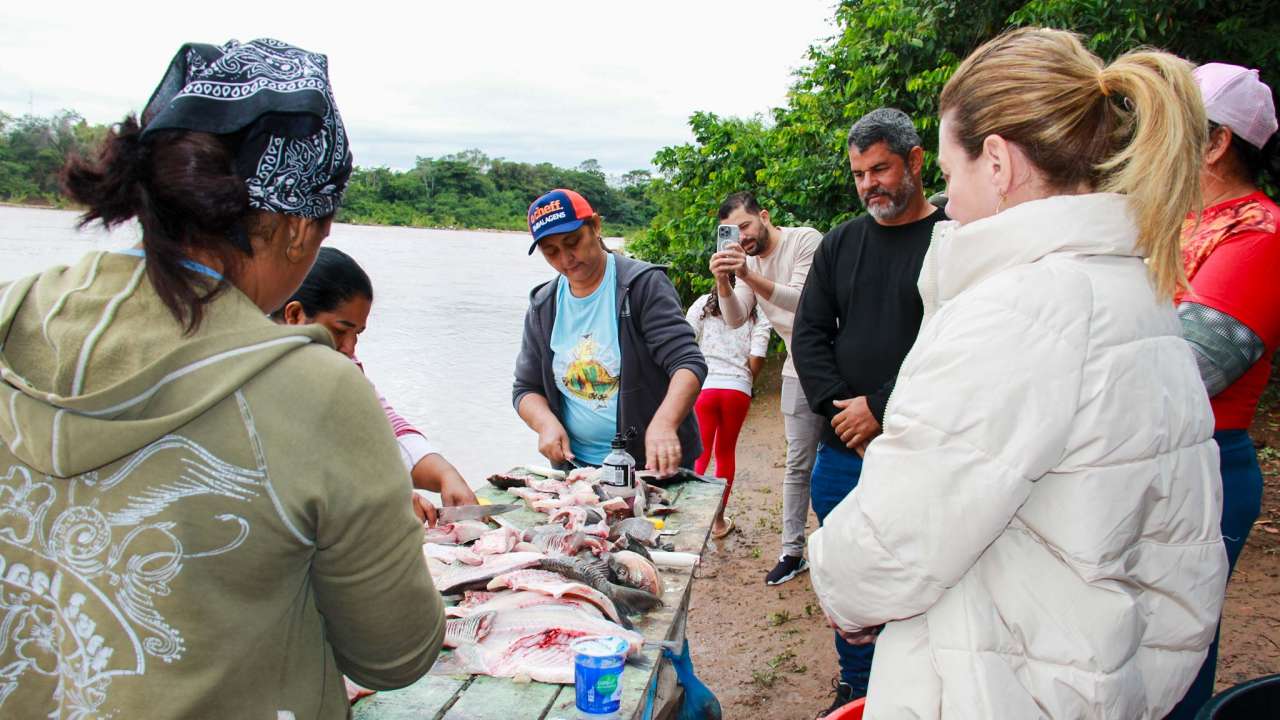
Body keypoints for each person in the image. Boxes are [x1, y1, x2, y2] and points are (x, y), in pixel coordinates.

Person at [0, 40, 443, 718]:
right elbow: (395, 653)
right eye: (322, 232)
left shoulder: (10, 312)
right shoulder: (315, 386)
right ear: (297, 229)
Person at [807, 28, 1229, 719]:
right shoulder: (1134, 288)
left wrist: (839, 581)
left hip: (1004, 683)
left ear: (997, 162)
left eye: (949, 172)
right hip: (1094, 674)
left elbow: (900, 533)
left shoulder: (1023, 306)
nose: (948, 199)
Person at [791, 107, 945, 716]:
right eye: (858, 174)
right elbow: (809, 335)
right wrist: (840, 412)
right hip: (842, 451)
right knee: (850, 572)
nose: (868, 185)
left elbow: (957, 343)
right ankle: (857, 685)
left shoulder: (954, 238)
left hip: (922, 448)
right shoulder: (842, 242)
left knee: (922, 576)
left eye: (879, 169)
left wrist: (881, 407)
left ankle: (918, 692)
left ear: (915, 160)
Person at [1168, 63, 1280, 719]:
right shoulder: (1178, 220)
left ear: (1216, 143)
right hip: (1158, 459)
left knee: (1173, 658)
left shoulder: (1260, 234)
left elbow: (1188, 372)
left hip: (1203, 468)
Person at [274, 246, 479, 519]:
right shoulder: (254, 373)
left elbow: (384, 429)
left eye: (357, 333)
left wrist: (445, 474)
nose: (349, 346)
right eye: (339, 330)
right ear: (295, 315)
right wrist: (377, 496)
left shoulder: (343, 365)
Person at [513, 188, 706, 475]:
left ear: (596, 226)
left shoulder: (642, 285)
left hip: (650, 466)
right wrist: (545, 423)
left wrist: (665, 422)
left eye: (573, 242)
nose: (566, 258)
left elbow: (688, 363)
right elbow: (526, 389)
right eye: (551, 251)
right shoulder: (544, 304)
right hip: (577, 467)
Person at [708, 192, 823, 585]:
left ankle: (848, 541)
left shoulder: (805, 239)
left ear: (765, 216)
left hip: (838, 364)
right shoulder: (747, 265)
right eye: (732, 233)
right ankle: (793, 552)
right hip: (797, 367)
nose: (740, 238)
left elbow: (802, 299)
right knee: (797, 464)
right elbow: (737, 319)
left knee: (851, 458)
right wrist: (724, 281)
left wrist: (747, 275)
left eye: (744, 226)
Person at [685, 276, 772, 538]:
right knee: (725, 452)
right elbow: (757, 358)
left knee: (700, 452)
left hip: (705, 386)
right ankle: (719, 522)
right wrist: (746, 380)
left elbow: (686, 339)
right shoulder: (757, 313)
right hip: (737, 390)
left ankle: (692, 517)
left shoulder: (702, 305)